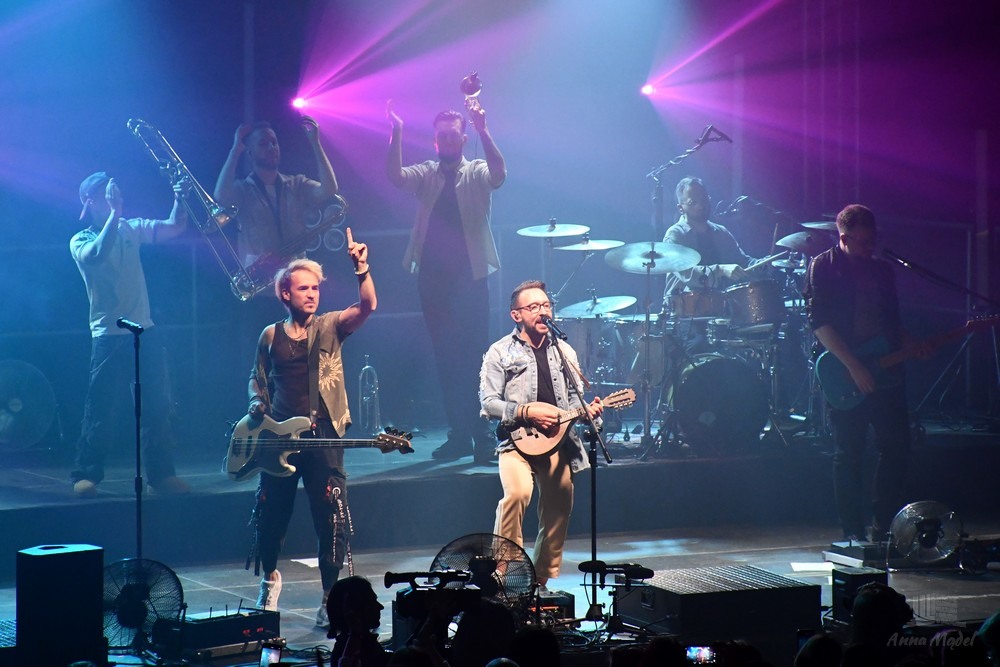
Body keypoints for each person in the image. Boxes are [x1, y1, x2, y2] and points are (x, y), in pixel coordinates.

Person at [246, 230, 376, 627]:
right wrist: (255, 404)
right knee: (270, 515)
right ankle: (270, 581)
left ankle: (329, 598)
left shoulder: (330, 326)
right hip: (278, 441)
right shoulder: (270, 335)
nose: (311, 294)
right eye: (303, 288)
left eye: (316, 288)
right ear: (285, 294)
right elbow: (257, 379)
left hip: (324, 438)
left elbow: (368, 306)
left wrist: (361, 269)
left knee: (331, 518)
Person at [386, 98, 506, 464]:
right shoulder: (428, 173)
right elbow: (395, 177)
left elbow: (499, 175)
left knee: (477, 359)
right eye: (443, 136)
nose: (449, 141)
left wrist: (484, 129)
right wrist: (397, 131)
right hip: (433, 279)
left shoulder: (476, 171)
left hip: (471, 278)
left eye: (454, 135)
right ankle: (459, 435)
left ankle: (482, 437)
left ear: (463, 139)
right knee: (446, 359)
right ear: (436, 141)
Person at [803, 204, 930, 541]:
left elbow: (891, 321)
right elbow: (819, 323)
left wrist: (910, 343)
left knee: (897, 446)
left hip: (886, 366)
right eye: (862, 242)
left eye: (872, 240)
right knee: (849, 453)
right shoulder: (823, 266)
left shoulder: (882, 271)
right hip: (845, 368)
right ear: (843, 238)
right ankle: (852, 532)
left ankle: (883, 525)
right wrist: (854, 365)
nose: (869, 247)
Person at [70, 171, 190, 497]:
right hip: (107, 334)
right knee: (101, 408)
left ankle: (161, 476)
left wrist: (180, 197)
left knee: (157, 405)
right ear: (89, 200)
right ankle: (86, 474)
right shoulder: (80, 239)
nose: (114, 196)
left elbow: (174, 226)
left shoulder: (130, 227)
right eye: (105, 194)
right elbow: (97, 254)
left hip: (144, 330)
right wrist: (114, 214)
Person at [479, 280, 604, 589]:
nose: (543, 311)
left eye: (546, 305)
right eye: (534, 307)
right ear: (516, 315)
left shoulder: (564, 350)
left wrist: (588, 412)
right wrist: (526, 412)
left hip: (557, 444)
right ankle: (505, 571)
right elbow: (489, 403)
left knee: (560, 502)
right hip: (515, 443)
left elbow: (574, 399)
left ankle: (539, 580)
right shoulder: (499, 352)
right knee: (517, 494)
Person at [213, 116, 340, 271]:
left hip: (295, 273)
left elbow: (329, 189)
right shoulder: (243, 189)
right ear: (250, 153)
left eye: (274, 142)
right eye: (263, 144)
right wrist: (235, 150)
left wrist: (316, 143)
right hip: (260, 277)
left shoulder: (297, 184)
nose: (271, 147)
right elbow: (221, 197)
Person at [325, 576, 390, 667]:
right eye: (372, 602)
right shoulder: (364, 652)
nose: (380, 607)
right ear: (355, 609)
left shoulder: (345, 649)